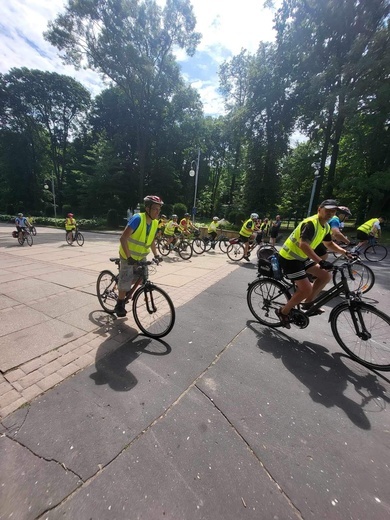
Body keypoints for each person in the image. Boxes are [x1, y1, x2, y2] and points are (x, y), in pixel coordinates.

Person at [276, 200, 350, 328]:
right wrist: (320, 261)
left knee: (325, 276)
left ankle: (308, 303)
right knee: (306, 289)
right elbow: (303, 244)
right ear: (319, 209)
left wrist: (345, 252)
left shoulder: (325, 226)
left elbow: (329, 244)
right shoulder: (310, 223)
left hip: (301, 258)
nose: (330, 213)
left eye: (333, 211)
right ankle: (283, 311)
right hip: (289, 258)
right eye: (328, 210)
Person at [114, 195, 164, 317]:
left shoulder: (155, 222)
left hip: (141, 255)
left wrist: (156, 255)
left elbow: (151, 240)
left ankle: (125, 288)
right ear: (147, 209)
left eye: (159, 209)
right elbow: (123, 238)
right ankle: (119, 304)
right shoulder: (137, 219)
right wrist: (129, 257)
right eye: (155, 209)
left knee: (143, 277)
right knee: (126, 278)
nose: (157, 212)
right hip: (127, 255)